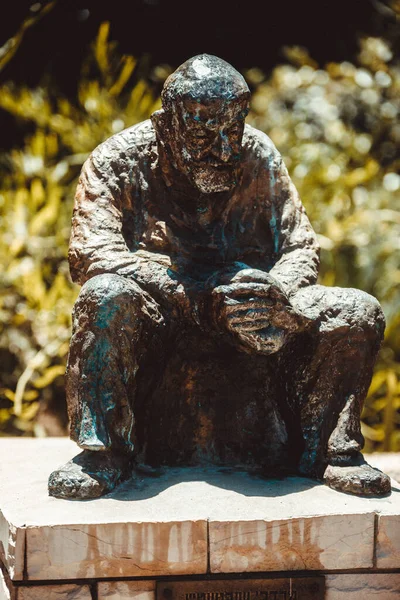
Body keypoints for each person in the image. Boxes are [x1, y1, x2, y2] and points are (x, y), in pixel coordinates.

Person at [48, 54, 391, 499]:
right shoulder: (118, 160)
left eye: (233, 130)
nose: (225, 150)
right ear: (166, 124)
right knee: (105, 295)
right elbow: (92, 255)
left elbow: (300, 247)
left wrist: (275, 297)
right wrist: (199, 297)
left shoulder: (258, 154)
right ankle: (104, 452)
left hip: (249, 311)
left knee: (356, 309)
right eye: (203, 135)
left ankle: (331, 450)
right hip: (164, 310)